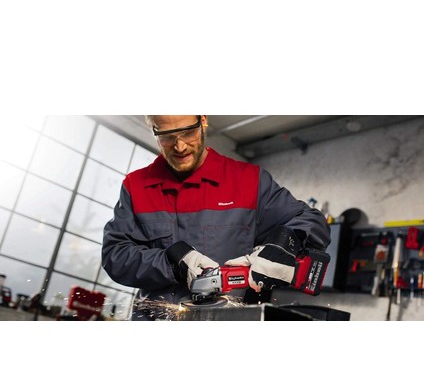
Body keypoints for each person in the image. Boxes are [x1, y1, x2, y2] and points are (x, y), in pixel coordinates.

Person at [102, 115, 331, 319]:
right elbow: (115, 255)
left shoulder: (249, 181)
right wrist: (171, 263)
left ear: (203, 121)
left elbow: (311, 220)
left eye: (187, 132)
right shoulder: (135, 186)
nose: (180, 146)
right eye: (167, 136)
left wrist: (282, 244)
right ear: (154, 131)